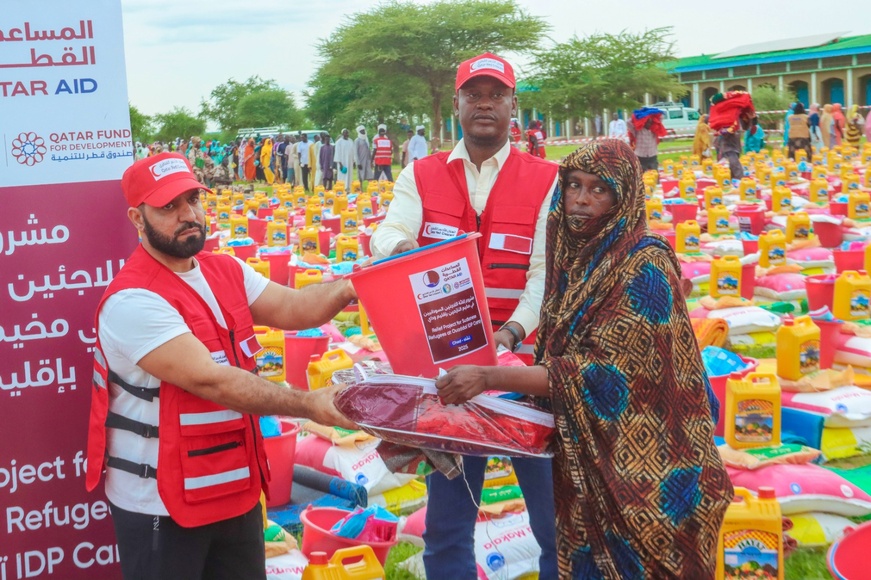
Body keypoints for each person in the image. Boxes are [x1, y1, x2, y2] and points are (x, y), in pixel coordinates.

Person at [435, 139, 733, 578]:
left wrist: (487, 376)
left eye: (599, 189)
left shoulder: (643, 265)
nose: (581, 199)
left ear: (624, 197)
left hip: (649, 464)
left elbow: (598, 373)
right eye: (573, 185)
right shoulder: (574, 259)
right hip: (585, 450)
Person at [86, 152, 357, 580]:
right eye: (168, 207)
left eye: (192, 199)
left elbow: (294, 307)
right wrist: (308, 404)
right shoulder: (131, 300)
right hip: (161, 504)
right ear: (138, 219)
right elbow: (210, 380)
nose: (187, 214)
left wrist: (352, 285)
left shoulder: (223, 269)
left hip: (235, 488)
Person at [370, 51, 559, 580]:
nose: (484, 104)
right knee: (448, 526)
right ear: (456, 104)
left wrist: (509, 334)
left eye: (495, 95)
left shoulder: (547, 179)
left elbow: (546, 274)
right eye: (473, 94)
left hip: (526, 371)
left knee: (554, 523)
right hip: (448, 376)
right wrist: (402, 248)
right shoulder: (420, 174)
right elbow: (386, 232)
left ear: (512, 105)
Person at [627, 107, 666, 173]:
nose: (649, 124)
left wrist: (650, 112)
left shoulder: (654, 130)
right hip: (640, 157)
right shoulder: (637, 131)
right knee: (641, 178)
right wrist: (640, 115)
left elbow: (661, 117)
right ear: (644, 122)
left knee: (655, 177)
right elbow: (628, 122)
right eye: (648, 122)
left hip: (652, 156)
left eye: (651, 122)